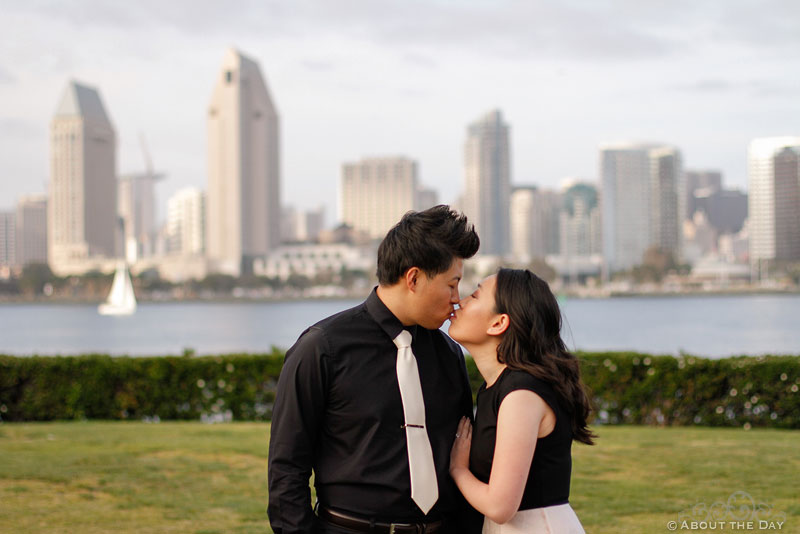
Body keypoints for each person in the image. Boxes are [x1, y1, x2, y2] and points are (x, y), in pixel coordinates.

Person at [268, 205, 482, 534]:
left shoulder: (450, 354)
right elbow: (287, 470)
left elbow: (463, 455)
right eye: (452, 284)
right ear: (413, 278)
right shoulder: (322, 349)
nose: (457, 299)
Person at [448, 268, 595, 533]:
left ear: (498, 323)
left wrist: (458, 469)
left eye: (475, 295)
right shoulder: (498, 387)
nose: (460, 301)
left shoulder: (522, 394)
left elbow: (500, 506)